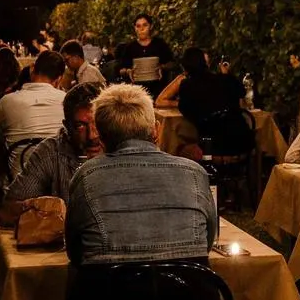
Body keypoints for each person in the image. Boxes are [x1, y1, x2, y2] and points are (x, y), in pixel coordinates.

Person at [65, 84, 217, 266]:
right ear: (156, 130)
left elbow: (75, 252)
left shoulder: (86, 177)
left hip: (111, 284)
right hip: (188, 283)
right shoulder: (195, 174)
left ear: (102, 139)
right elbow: (208, 242)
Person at [0, 83, 103, 221]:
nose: (92, 136)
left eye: (97, 123)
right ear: (67, 127)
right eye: (80, 126)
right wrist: (40, 208)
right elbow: (7, 211)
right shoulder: (51, 152)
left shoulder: (122, 147)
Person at [0, 50, 68, 182]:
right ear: (59, 79)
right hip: (57, 184)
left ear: (32, 69)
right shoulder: (67, 101)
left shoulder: (7, 101)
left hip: (18, 185)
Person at [154, 47, 244, 130]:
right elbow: (240, 94)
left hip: (209, 134)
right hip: (237, 132)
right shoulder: (223, 79)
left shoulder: (188, 84)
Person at [113, 14, 174, 97]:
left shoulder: (160, 44)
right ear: (135, 28)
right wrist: (128, 71)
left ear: (150, 26)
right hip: (137, 91)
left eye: (145, 25)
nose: (142, 29)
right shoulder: (130, 47)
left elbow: (172, 63)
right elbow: (121, 69)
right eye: (138, 26)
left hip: (159, 90)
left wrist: (162, 67)